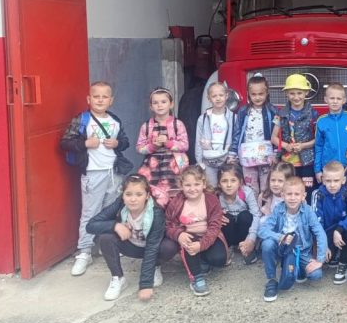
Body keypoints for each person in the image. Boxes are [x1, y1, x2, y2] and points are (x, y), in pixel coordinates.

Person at [59, 81, 132, 277]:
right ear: (89, 99)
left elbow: (125, 141)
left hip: (113, 172)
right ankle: (84, 251)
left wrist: (117, 143)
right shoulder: (82, 119)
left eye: (104, 97)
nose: (100, 100)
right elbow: (65, 142)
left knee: (110, 210)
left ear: (111, 100)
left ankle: (105, 244)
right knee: (90, 212)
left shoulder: (115, 120)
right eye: (96, 96)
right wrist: (84, 143)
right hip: (93, 172)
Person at [84, 173, 165, 301]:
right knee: (105, 238)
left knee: (169, 247)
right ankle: (118, 278)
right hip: (131, 246)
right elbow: (91, 225)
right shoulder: (120, 204)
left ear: (147, 196)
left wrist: (145, 285)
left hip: (151, 248)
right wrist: (115, 225)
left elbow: (152, 248)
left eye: (139, 194)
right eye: (128, 194)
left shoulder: (156, 212)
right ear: (123, 195)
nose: (133, 199)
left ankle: (155, 266)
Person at [259, 176, 327, 302]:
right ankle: (272, 280)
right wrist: (280, 237)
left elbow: (320, 233)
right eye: (289, 194)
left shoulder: (308, 211)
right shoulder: (278, 210)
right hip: (282, 248)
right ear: (282, 195)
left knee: (316, 274)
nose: (292, 198)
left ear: (303, 196)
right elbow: (262, 230)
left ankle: (298, 269)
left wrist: (320, 259)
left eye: (297, 194)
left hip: (301, 250)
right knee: (267, 244)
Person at [160, 166, 226, 296]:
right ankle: (196, 277)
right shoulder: (176, 202)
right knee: (188, 244)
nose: (192, 188)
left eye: (197, 184)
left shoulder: (211, 199)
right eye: (188, 185)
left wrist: (201, 245)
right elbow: (167, 224)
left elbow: (214, 226)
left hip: (208, 235)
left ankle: (201, 259)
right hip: (187, 234)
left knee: (219, 259)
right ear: (181, 185)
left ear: (203, 184)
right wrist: (178, 234)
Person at [136, 87, 189, 206]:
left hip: (174, 168)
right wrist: (153, 146)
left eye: (163, 102)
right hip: (153, 168)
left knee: (175, 197)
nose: (159, 105)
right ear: (151, 106)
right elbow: (139, 148)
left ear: (171, 104)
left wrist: (168, 143)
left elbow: (185, 145)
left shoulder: (177, 124)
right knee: (153, 197)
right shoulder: (146, 126)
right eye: (155, 103)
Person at [310, 160, 347, 284]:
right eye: (328, 181)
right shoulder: (317, 194)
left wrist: (339, 229)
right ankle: (333, 254)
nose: (332, 185)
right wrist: (323, 244)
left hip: (342, 229)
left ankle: (343, 262)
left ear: (343, 180)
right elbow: (315, 221)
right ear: (323, 180)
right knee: (327, 258)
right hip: (325, 231)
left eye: (336, 181)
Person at [230, 73, 276, 198]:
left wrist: (276, 152)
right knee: (250, 186)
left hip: (266, 155)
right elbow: (237, 132)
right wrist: (232, 153)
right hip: (248, 156)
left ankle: (265, 208)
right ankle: (253, 208)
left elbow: (276, 133)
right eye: (253, 94)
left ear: (267, 93)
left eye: (261, 94)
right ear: (248, 94)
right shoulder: (243, 111)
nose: (257, 97)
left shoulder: (272, 111)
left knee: (266, 185)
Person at [240, 161, 295, 265]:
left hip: (287, 230)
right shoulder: (264, 197)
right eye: (273, 180)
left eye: (280, 181)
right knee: (261, 221)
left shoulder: (293, 198)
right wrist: (250, 239)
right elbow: (258, 220)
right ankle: (252, 247)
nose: (275, 184)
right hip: (269, 231)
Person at [271, 74, 317, 192]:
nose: (296, 97)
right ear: (286, 93)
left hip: (307, 161)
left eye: (299, 93)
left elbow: (318, 139)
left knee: (307, 190)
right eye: (292, 93)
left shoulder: (313, 114)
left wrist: (303, 146)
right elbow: (274, 137)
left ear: (306, 92)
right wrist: (286, 145)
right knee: (288, 190)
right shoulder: (281, 114)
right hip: (287, 163)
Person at [314, 83, 347, 180]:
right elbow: (318, 147)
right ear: (326, 99)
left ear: (344, 100)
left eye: (338, 99)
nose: (335, 101)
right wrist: (317, 170)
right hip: (329, 169)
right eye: (332, 98)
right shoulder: (321, 121)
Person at [215, 162, 261, 262]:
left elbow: (256, 215)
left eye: (233, 180)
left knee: (245, 216)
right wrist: (217, 217)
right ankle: (228, 247)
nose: (229, 185)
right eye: (224, 181)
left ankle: (247, 246)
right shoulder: (217, 196)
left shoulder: (246, 192)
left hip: (244, 231)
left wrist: (251, 239)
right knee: (225, 217)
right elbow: (210, 217)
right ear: (218, 183)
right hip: (229, 231)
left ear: (240, 182)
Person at [194, 81, 235, 188]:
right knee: (211, 188)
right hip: (208, 160)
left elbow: (236, 138)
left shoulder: (233, 118)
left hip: (227, 159)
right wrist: (199, 161)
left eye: (221, 95)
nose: (218, 98)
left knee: (227, 187)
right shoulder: (203, 118)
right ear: (209, 98)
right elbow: (198, 141)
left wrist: (233, 157)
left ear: (226, 96)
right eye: (214, 96)